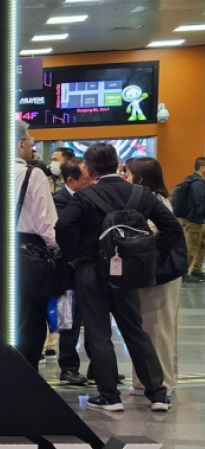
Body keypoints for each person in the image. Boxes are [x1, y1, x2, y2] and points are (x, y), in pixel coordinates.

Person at [55, 142, 175, 411]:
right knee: (135, 330)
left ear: (88, 168)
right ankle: (157, 394)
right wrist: (151, 259)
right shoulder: (140, 194)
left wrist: (71, 256)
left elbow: (63, 225)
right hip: (129, 272)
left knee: (98, 332)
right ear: (117, 163)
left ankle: (109, 396)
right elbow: (172, 229)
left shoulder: (84, 197)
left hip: (90, 269)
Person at [126, 156, 187, 394]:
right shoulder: (151, 199)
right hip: (159, 273)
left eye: (129, 174)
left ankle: (160, 383)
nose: (125, 178)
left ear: (140, 177)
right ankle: (146, 380)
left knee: (158, 329)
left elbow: (157, 234)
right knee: (151, 328)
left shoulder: (156, 201)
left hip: (161, 274)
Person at [13, 121, 59, 370]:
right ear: (21, 144)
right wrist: (60, 251)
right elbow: (46, 223)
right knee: (29, 317)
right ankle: (25, 373)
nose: (33, 146)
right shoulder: (33, 174)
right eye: (31, 141)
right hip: (28, 251)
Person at [52, 157, 88, 385]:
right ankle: (68, 367)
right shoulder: (60, 200)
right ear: (72, 180)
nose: (91, 181)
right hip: (67, 270)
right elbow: (63, 232)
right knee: (69, 321)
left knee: (91, 318)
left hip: (86, 267)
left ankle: (99, 367)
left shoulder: (86, 197)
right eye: (87, 178)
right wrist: (72, 256)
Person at [174, 157, 205, 283]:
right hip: (194, 220)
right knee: (191, 247)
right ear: (202, 168)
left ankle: (197, 270)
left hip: (196, 219)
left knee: (202, 244)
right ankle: (183, 272)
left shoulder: (192, 180)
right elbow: (200, 202)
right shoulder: (198, 183)